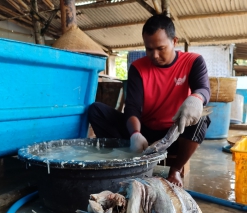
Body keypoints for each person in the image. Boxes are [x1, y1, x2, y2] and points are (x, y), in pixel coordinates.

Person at [88, 14, 211, 187]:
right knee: (96, 110)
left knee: (202, 119)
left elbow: (203, 89)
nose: (154, 55)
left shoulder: (193, 61)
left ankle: (175, 170)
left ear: (174, 41)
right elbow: (132, 107)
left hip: (174, 134)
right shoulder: (138, 67)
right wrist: (135, 134)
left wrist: (196, 99)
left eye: (161, 48)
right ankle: (125, 160)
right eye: (149, 49)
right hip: (144, 135)